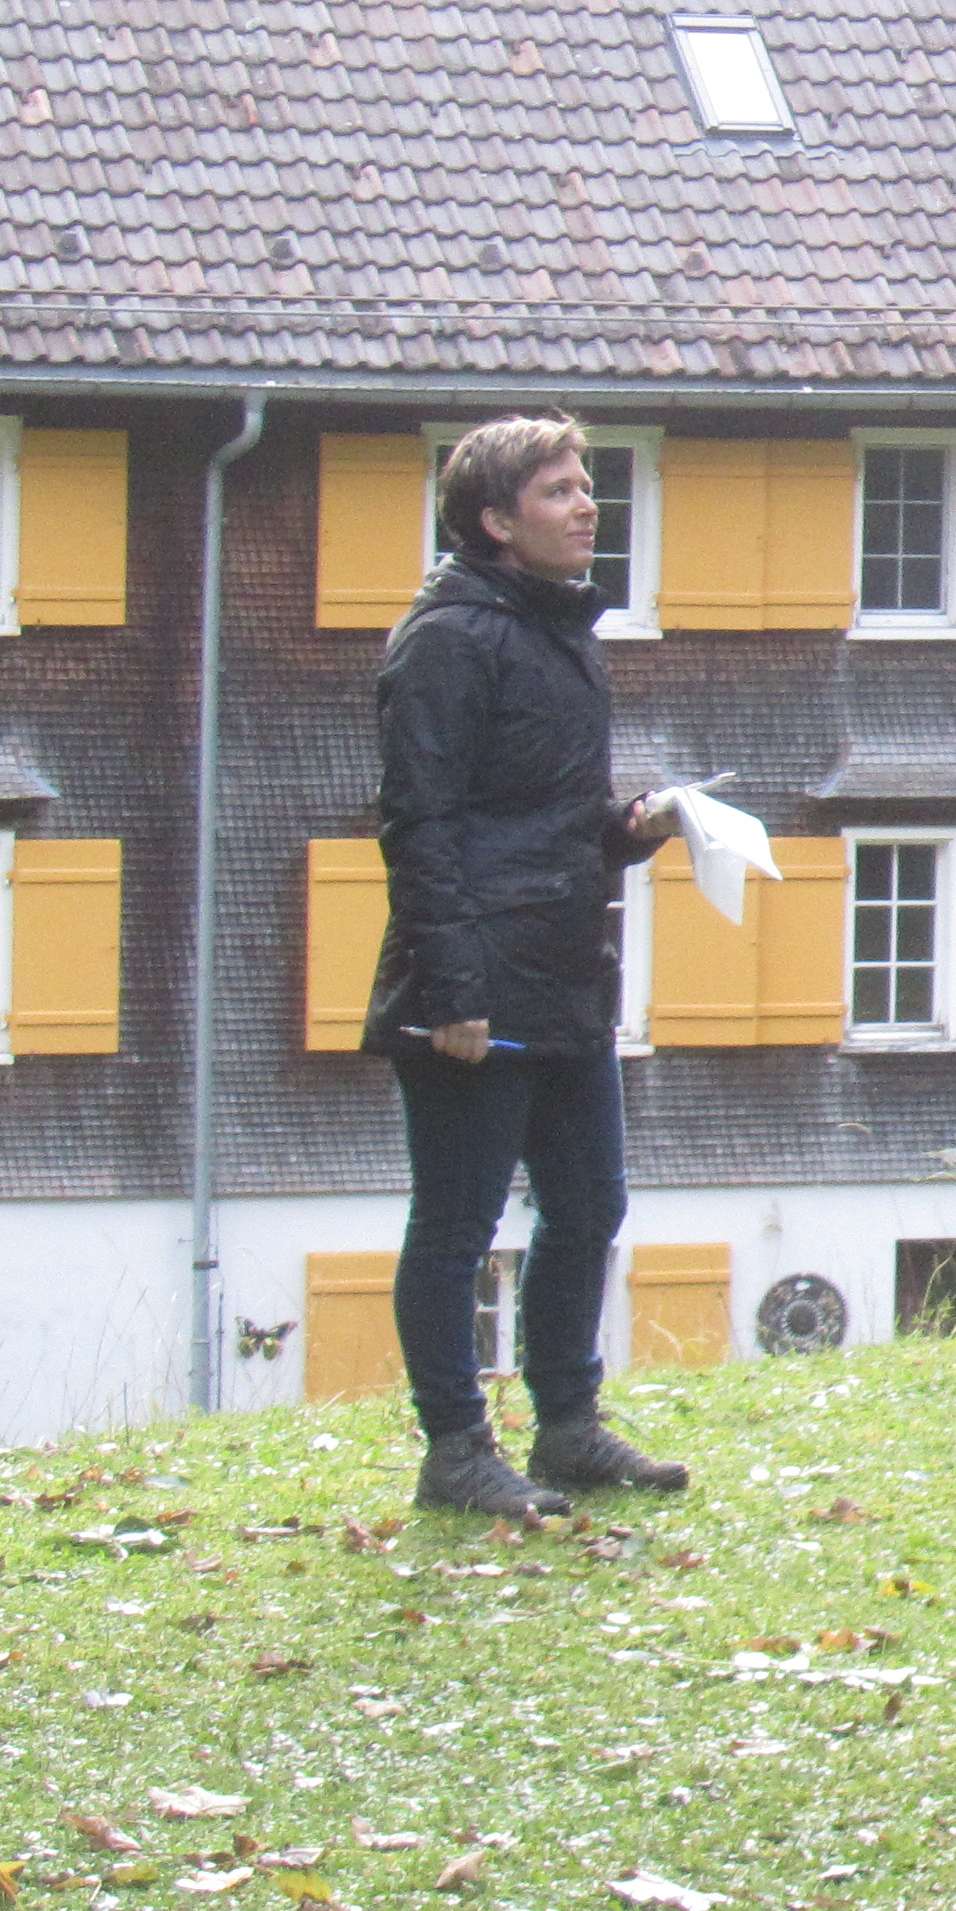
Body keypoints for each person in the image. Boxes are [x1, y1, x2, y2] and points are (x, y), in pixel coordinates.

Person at [363, 417, 686, 1519]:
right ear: (496, 521)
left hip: (564, 972)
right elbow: (421, 823)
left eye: (586, 486)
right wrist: (454, 990)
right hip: (472, 987)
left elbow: (542, 818)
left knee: (589, 1206)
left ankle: (568, 1430)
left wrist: (628, 828)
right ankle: (456, 1450)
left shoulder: (560, 630)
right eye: (559, 491)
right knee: (457, 1227)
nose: (588, 506)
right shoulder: (447, 639)